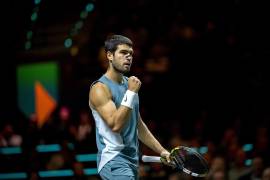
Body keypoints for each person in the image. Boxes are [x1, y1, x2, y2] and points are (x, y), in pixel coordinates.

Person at [89, 34, 172, 180]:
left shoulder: (129, 85)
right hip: (113, 161)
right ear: (109, 55)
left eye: (130, 54)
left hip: (131, 163)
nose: (128, 57)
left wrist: (162, 151)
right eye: (123, 53)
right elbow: (115, 124)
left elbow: (138, 126)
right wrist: (131, 92)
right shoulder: (100, 88)